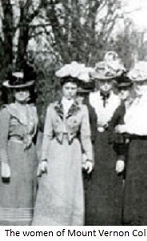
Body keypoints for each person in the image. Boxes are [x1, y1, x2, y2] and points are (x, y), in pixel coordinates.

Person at [32, 62, 93, 225]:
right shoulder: (52, 108)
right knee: (54, 187)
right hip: (55, 150)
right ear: (62, 89)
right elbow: (47, 134)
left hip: (73, 151)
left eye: (73, 88)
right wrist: (43, 159)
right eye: (67, 88)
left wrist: (89, 158)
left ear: (77, 89)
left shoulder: (82, 109)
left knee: (69, 189)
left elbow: (85, 135)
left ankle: (69, 225)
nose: (70, 92)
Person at [115, 61, 147, 225]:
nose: (139, 86)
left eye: (142, 83)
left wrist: (126, 128)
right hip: (134, 148)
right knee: (133, 191)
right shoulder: (134, 103)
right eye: (136, 83)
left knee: (145, 192)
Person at [84, 54, 125, 225]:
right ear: (97, 82)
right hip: (93, 150)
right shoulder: (89, 100)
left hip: (111, 152)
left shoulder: (119, 102)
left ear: (113, 82)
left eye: (109, 81)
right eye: (102, 81)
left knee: (111, 193)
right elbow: (83, 129)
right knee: (93, 192)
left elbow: (123, 130)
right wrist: (84, 155)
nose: (106, 84)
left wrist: (121, 158)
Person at [0, 68, 38, 225]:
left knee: (27, 195)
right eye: (17, 90)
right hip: (13, 156)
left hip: (29, 157)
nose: (21, 93)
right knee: (11, 194)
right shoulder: (6, 111)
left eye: (24, 89)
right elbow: (1, 139)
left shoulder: (33, 110)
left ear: (29, 91)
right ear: (12, 92)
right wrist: (4, 163)